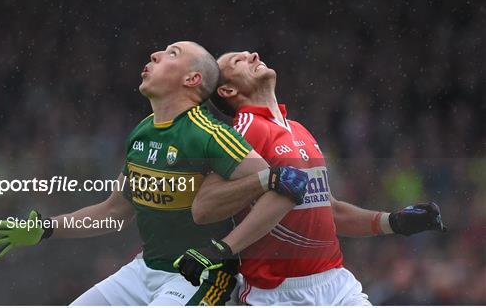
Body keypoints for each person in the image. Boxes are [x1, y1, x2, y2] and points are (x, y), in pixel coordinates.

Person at [0, 42, 312, 305]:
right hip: (145, 270)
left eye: (171, 54)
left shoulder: (209, 134)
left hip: (202, 277)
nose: (154, 54)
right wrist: (46, 228)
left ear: (192, 79)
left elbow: (283, 185)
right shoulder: (143, 132)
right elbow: (113, 212)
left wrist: (223, 250)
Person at [175, 50, 447, 305]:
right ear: (228, 90)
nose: (253, 55)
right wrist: (224, 245)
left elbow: (330, 210)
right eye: (239, 61)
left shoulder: (299, 130)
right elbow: (203, 206)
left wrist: (394, 222)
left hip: (336, 283)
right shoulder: (244, 131)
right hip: (276, 295)